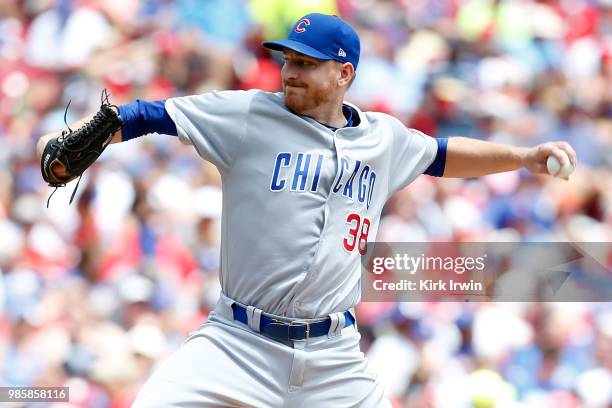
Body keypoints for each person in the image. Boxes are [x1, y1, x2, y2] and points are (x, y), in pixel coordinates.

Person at [37, 13, 577, 408]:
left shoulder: (383, 139)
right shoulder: (249, 114)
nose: (288, 72)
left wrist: (523, 157)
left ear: (343, 74)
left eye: (304, 63)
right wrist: (107, 129)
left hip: (333, 357)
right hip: (237, 342)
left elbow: (442, 155)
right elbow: (152, 114)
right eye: (287, 60)